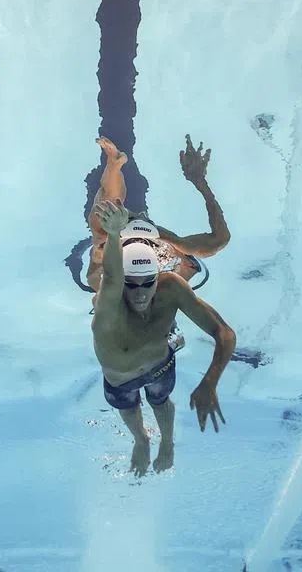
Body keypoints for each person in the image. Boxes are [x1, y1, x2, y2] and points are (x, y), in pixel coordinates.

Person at [91, 199, 237, 477]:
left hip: (161, 366)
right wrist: (112, 234)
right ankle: (141, 440)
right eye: (131, 285)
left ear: (158, 276)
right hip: (119, 380)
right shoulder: (108, 303)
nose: (141, 293)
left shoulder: (170, 286)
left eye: (148, 282)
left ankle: (167, 442)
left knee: (161, 402)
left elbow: (224, 334)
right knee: (130, 409)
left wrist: (210, 382)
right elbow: (110, 278)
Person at [86, 134, 230, 295]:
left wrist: (97, 258)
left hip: (121, 234)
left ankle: (114, 164)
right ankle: (115, 164)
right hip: (152, 238)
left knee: (101, 230)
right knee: (105, 224)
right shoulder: (175, 279)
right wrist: (200, 182)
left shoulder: (107, 290)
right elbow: (220, 239)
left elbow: (94, 275)